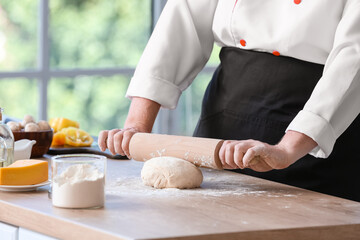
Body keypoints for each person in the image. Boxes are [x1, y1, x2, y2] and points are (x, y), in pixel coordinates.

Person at [98, 0, 360, 202]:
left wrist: (287, 149)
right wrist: (136, 125)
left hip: (318, 134)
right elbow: (183, 16)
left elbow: (354, 57)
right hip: (224, 119)